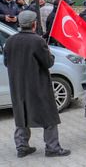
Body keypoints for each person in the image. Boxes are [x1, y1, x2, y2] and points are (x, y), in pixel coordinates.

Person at [4, 11, 70, 158]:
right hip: (37, 85)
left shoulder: (10, 41)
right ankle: (52, 148)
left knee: (22, 115)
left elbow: (7, 62)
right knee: (49, 116)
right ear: (34, 24)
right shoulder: (37, 41)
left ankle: (22, 147)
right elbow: (48, 63)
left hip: (18, 85)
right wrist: (49, 53)